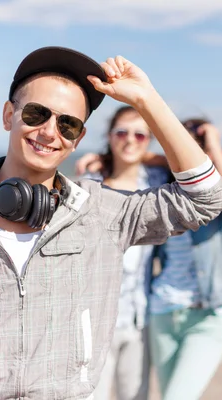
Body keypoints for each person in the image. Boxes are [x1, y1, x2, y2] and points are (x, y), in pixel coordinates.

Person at [0, 47, 222, 400]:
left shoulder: (103, 214)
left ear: (78, 138)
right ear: (8, 115)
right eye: (36, 114)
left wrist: (147, 100)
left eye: (67, 124)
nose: (49, 132)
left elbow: (207, 198)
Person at [147, 119, 222, 400]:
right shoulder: (163, 190)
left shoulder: (216, 193)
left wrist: (213, 143)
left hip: (209, 314)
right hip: (164, 309)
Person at [82, 105, 169, 400]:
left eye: (140, 135)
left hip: (138, 317)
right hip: (92, 323)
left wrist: (143, 153)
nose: (130, 140)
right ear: (109, 136)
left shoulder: (156, 182)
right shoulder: (89, 186)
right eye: (122, 132)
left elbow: (187, 161)